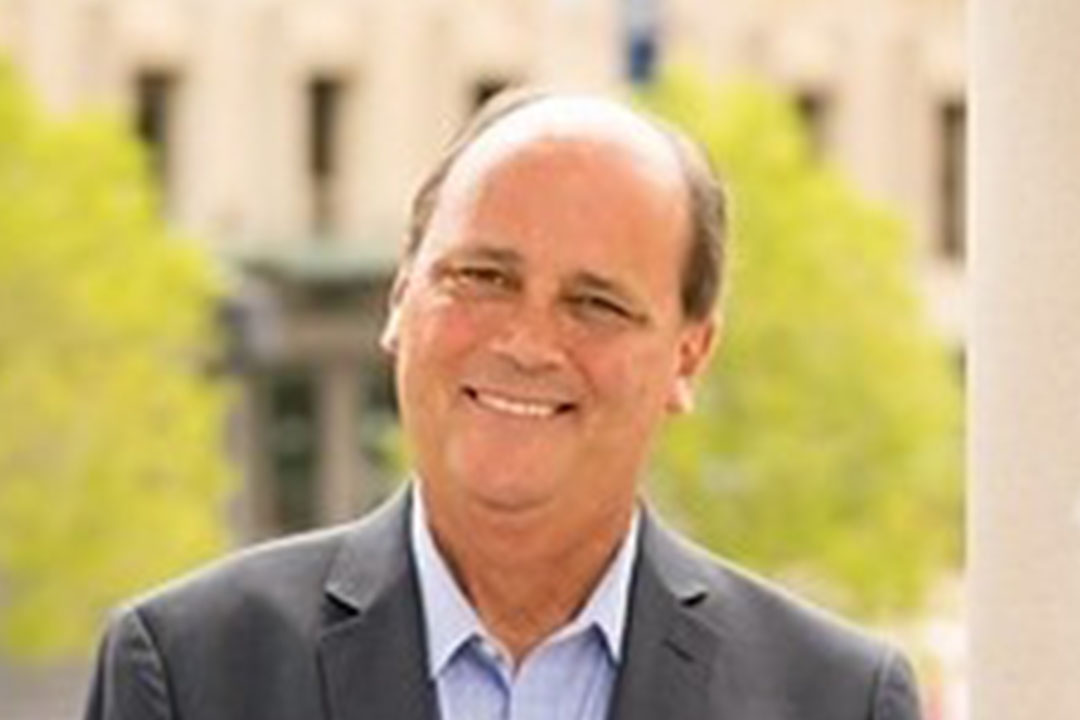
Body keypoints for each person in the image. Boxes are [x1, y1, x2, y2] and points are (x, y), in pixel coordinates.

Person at [83, 90, 922, 720]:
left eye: (596, 304)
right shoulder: (191, 672)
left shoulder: (834, 700)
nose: (526, 342)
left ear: (687, 356)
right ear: (399, 298)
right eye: (482, 278)